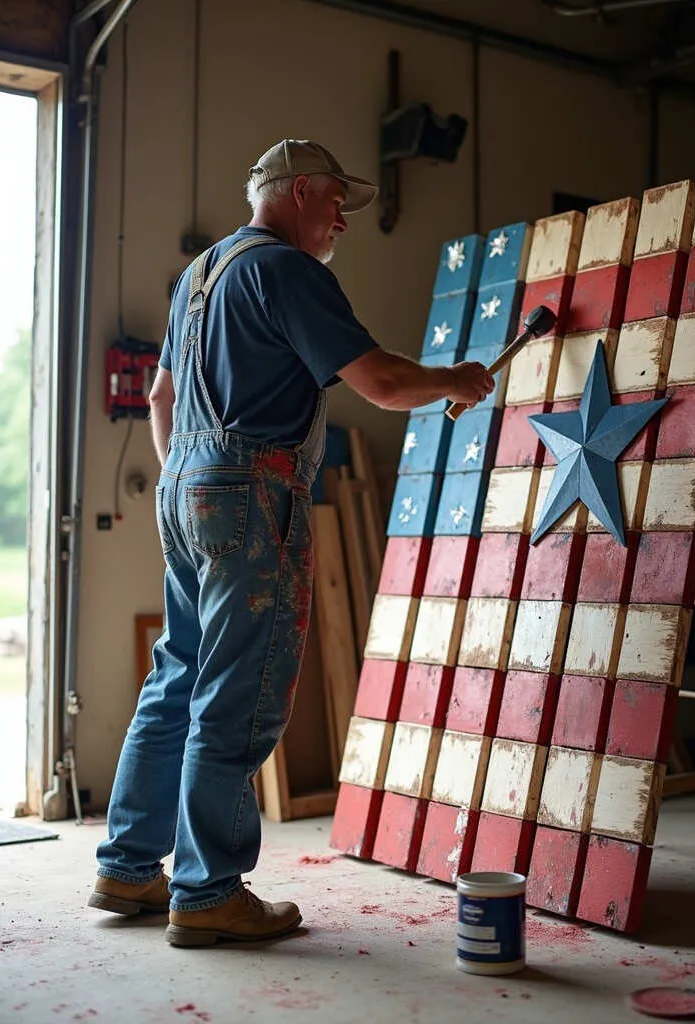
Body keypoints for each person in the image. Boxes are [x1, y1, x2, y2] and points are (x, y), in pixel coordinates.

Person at [88, 139, 494, 947]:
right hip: (248, 489)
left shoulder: (197, 279)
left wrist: (189, 478)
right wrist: (456, 380)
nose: (344, 216)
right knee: (237, 690)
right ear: (298, 190)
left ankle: (129, 867)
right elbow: (376, 380)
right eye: (337, 199)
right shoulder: (284, 270)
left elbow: (161, 393)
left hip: (188, 488)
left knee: (179, 674)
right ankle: (207, 892)